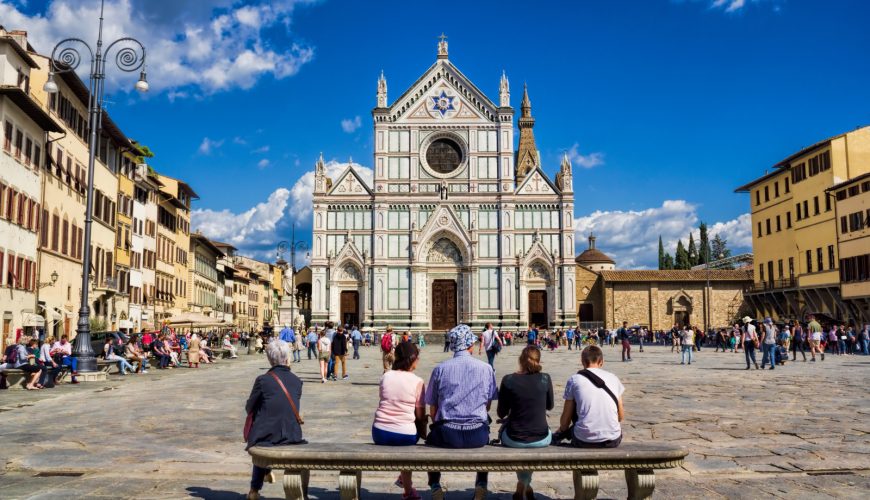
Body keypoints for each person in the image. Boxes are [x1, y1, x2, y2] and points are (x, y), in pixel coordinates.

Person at [424, 325, 497, 500]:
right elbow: (487, 406)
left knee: (430, 441)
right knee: (485, 438)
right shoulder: (486, 368)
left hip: (446, 434)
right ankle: (481, 484)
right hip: (477, 434)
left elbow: (432, 408)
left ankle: (435, 486)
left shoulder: (440, 369)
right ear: (470, 345)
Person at [245, 340, 305, 500]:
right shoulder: (297, 381)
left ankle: (254, 490)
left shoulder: (262, 380)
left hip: (266, 436)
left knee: (262, 438)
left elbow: (249, 408)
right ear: (288, 358)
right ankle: (266, 472)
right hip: (292, 435)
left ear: (270, 360)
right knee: (270, 432)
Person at [497, 346, 553, 499]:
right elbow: (550, 405)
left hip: (513, 438)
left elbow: (500, 413)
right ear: (539, 360)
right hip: (542, 438)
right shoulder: (545, 378)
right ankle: (524, 484)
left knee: (519, 438)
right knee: (531, 439)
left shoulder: (508, 379)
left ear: (520, 360)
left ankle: (522, 484)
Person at [372, 342, 427, 500]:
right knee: (408, 448)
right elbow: (420, 415)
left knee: (405, 447)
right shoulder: (418, 381)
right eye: (418, 357)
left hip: (379, 432)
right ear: (412, 359)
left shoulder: (385, 376)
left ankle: (406, 485)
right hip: (406, 436)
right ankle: (408, 491)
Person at [554, 345, 625, 448]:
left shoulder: (575, 379)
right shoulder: (613, 378)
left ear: (582, 361)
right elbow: (620, 416)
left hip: (583, 440)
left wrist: (562, 430)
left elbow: (565, 422)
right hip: (613, 439)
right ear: (602, 362)